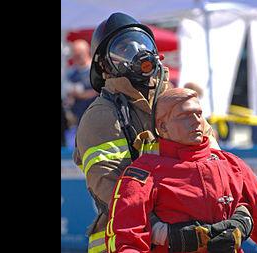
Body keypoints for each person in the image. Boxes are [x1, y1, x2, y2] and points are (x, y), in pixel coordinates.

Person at [73, 13, 221, 253]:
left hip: (193, 235)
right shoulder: (102, 116)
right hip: (130, 242)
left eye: (142, 42)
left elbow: (217, 164)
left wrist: (237, 210)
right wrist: (162, 231)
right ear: (104, 65)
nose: (137, 51)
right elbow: (110, 187)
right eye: (122, 47)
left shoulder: (178, 102)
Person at [105, 88, 257, 253]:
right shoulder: (143, 172)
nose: (196, 121)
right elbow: (126, 239)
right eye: (185, 116)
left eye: (198, 114)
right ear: (163, 127)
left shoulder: (232, 165)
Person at [66, 39, 98, 124]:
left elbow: (103, 90)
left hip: (97, 113)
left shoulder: (96, 69)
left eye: (80, 53)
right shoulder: (71, 73)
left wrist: (83, 95)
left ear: (87, 51)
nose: (78, 56)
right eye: (75, 53)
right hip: (79, 117)